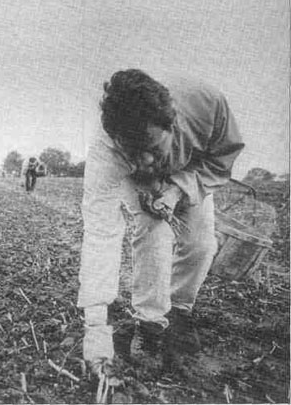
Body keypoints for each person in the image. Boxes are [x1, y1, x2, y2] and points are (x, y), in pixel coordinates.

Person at [78, 69, 244, 374]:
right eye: (132, 151)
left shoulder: (206, 104)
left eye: (153, 148)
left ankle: (179, 312)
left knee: (201, 243)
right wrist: (96, 326)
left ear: (173, 123)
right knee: (152, 232)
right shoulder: (105, 151)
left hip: (191, 171)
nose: (146, 161)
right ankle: (150, 325)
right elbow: (101, 232)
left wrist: (179, 187)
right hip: (137, 184)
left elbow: (222, 158)